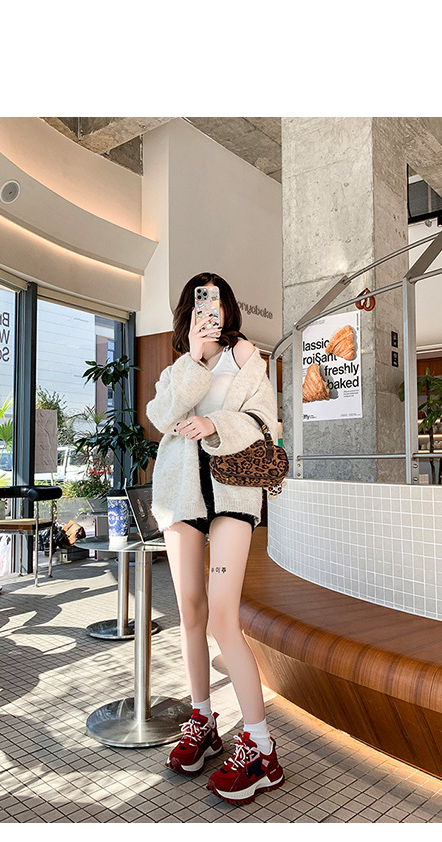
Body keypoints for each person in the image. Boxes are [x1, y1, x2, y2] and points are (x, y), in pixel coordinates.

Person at [145, 272, 284, 805]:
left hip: (232, 495)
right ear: (190, 310)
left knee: (223, 615)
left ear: (228, 309)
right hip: (182, 496)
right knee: (191, 611)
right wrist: (195, 359)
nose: (212, 310)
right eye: (202, 301)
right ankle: (202, 721)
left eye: (218, 301)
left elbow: (266, 423)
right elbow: (160, 417)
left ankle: (262, 746)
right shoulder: (180, 366)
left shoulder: (249, 360)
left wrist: (216, 425)